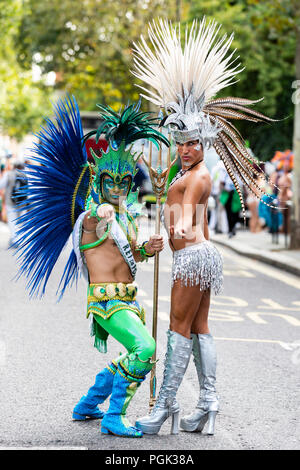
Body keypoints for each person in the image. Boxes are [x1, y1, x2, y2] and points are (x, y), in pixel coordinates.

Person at [131, 18, 276, 436]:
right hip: (201, 256)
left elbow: (186, 216)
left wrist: (167, 236)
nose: (186, 148)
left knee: (177, 328)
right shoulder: (184, 172)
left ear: (205, 143)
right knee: (198, 327)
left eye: (193, 142)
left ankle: (165, 407)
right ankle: (208, 403)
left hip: (192, 259)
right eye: (181, 142)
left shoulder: (198, 177)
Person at [14, 96, 168, 438]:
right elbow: (93, 224)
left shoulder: (127, 216)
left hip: (127, 299)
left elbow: (131, 255)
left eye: (123, 182)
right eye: (109, 181)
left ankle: (88, 403)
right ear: (98, 182)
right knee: (145, 349)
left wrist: (148, 248)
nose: (116, 187)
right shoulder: (91, 217)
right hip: (106, 303)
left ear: (130, 184)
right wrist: (101, 212)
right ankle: (115, 416)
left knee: (132, 352)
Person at [0, 159, 26, 246]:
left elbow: (1, 185)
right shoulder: (26, 175)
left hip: (10, 201)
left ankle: (15, 239)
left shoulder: (9, 174)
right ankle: (18, 238)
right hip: (22, 202)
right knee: (20, 220)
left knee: (12, 220)